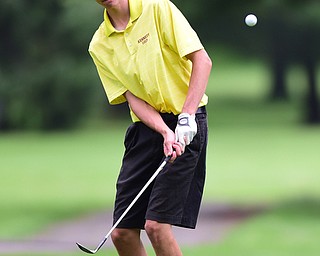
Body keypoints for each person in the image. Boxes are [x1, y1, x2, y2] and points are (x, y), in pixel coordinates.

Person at [90, 0, 212, 255]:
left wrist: (186, 116)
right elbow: (133, 99)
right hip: (147, 130)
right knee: (122, 233)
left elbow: (202, 60)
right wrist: (164, 131)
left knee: (156, 226)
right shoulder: (99, 44)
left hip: (186, 122)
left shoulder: (157, 8)